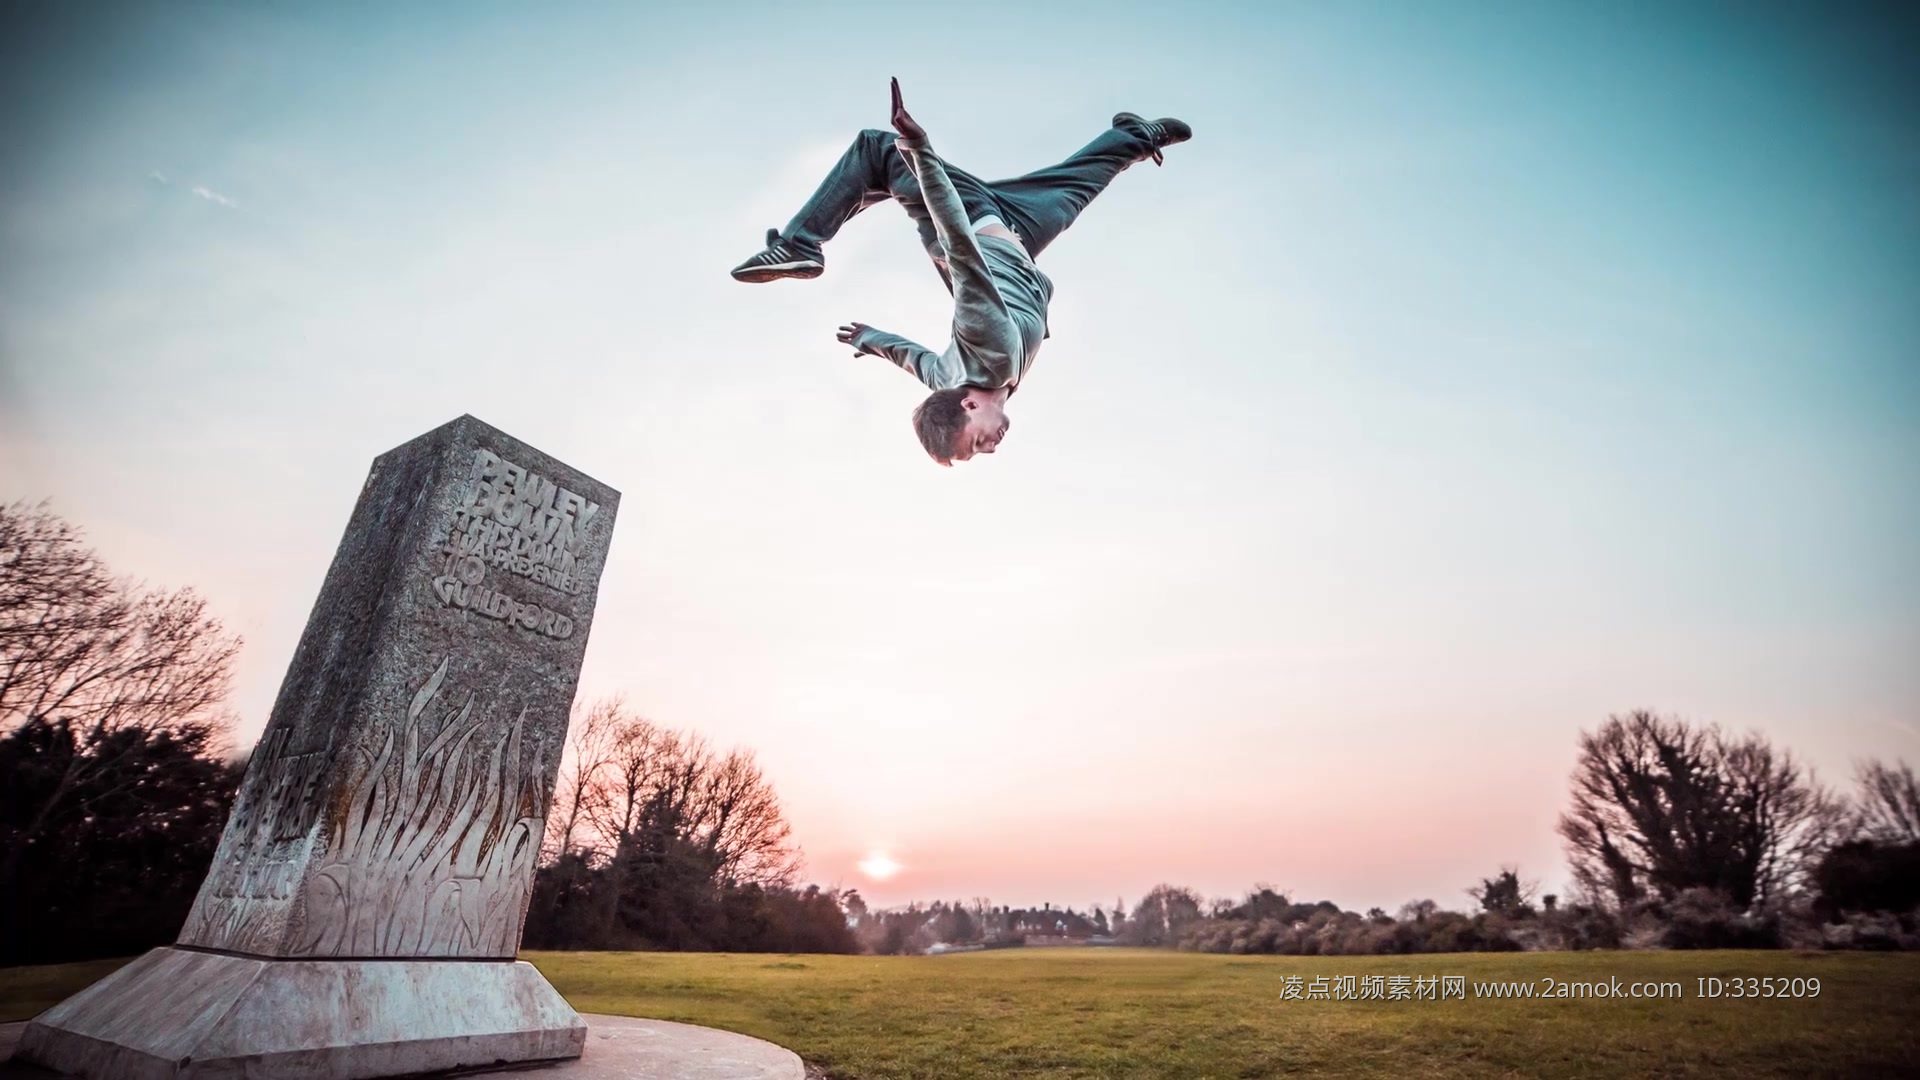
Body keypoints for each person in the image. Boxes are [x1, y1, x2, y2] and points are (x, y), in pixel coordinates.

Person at [731, 78, 1191, 466]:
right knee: (1075, 187)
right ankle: (1134, 134)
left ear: (970, 407)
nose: (990, 450)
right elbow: (915, 361)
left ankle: (800, 244)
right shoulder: (950, 383)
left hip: (968, 224)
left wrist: (920, 152)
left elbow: (959, 245)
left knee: (880, 150)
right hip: (1014, 238)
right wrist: (869, 340)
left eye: (975, 443)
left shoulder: (987, 343)